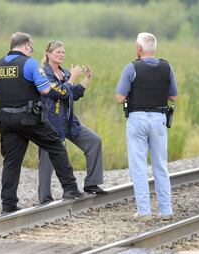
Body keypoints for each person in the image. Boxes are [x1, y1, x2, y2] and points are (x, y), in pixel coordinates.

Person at [0, 32, 83, 214]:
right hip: (29, 118)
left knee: (11, 161)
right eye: (30, 47)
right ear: (26, 45)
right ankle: (71, 189)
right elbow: (47, 90)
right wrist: (67, 87)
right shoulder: (30, 63)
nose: (31, 51)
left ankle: (8, 205)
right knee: (56, 145)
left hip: (5, 119)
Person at [115, 33, 177, 220]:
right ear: (154, 48)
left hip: (137, 119)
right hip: (159, 119)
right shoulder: (167, 67)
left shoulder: (131, 67)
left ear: (139, 48)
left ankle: (144, 212)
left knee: (139, 167)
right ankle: (165, 211)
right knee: (161, 165)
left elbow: (119, 98)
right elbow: (173, 96)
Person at [37, 41, 107, 205]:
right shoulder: (43, 73)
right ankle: (44, 199)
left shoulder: (65, 73)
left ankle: (91, 184)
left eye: (63, 52)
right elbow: (57, 93)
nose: (61, 55)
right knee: (47, 160)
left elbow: (72, 94)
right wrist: (72, 79)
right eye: (58, 52)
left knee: (94, 141)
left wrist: (86, 80)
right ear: (48, 54)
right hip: (50, 123)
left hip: (68, 121)